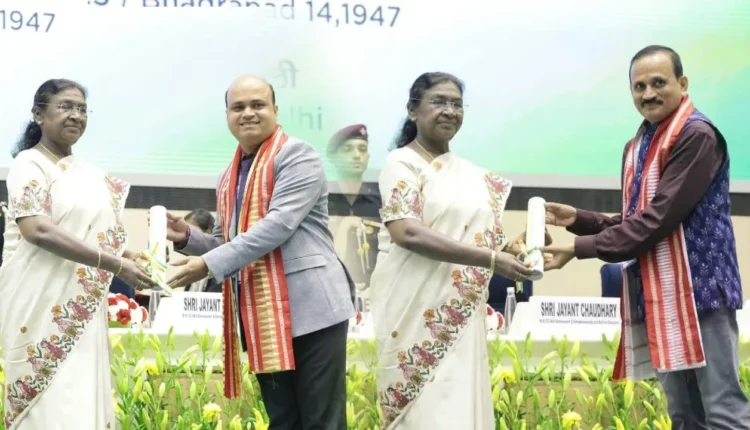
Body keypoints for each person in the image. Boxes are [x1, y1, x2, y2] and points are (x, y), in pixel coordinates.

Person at [541, 46, 750, 429]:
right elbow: (638, 222)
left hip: (700, 293)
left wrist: (578, 249)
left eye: (659, 83)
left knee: (723, 414)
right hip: (662, 297)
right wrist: (580, 220)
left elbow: (656, 222)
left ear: (682, 84)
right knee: (684, 416)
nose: (649, 93)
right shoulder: (641, 144)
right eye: (639, 86)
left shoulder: (696, 135)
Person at [165, 75, 355, 430]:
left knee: (322, 422)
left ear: (275, 110)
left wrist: (207, 264)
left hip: (313, 309)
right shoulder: (229, 175)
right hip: (263, 314)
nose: (248, 113)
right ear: (227, 115)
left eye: (258, 105)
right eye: (238, 107)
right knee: (283, 421)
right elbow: (227, 241)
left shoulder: (298, 154)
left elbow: (278, 225)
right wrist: (187, 236)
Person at [370, 72, 538, 429]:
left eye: (457, 104)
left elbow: (481, 247)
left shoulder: (473, 176)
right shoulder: (401, 163)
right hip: (414, 317)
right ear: (413, 110)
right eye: (439, 101)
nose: (449, 111)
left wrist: (520, 246)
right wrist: (492, 259)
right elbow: (406, 232)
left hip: (462, 320)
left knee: (458, 411)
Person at [0, 79, 156, 430]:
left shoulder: (90, 176)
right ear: (39, 114)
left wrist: (131, 255)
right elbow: (37, 230)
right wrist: (115, 264)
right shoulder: (29, 163)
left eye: (82, 109)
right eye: (66, 106)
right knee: (49, 409)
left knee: (81, 404)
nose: (76, 115)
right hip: (38, 309)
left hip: (82, 311)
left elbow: (94, 236)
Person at [327, 124, 382, 299]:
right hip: (332, 292)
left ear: (368, 157)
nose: (357, 155)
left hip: (377, 293)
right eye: (348, 149)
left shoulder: (382, 198)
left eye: (362, 149)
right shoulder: (321, 200)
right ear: (333, 158)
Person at [181, 208, 222, 293]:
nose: (188, 240)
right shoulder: (192, 268)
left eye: (192, 233)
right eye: (186, 235)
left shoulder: (220, 271)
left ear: (209, 232)